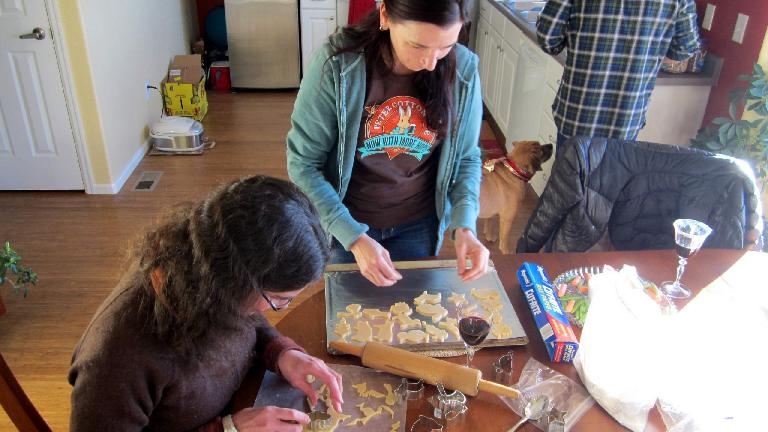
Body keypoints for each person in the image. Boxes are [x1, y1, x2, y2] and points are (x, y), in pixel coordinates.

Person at [68, 176, 343, 432]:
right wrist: (229, 428)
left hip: (239, 402)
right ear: (234, 281)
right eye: (280, 300)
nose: (274, 310)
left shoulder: (207, 268)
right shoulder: (116, 361)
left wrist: (281, 353)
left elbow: (249, 317)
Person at [287, 0, 489, 287]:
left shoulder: (464, 70)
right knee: (351, 317)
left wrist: (465, 225)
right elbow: (303, 164)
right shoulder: (337, 64)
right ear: (385, 16)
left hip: (419, 224)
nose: (432, 63)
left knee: (412, 319)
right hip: (346, 223)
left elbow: (467, 158)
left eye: (445, 47)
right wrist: (354, 237)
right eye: (418, 46)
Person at [536, 0, 701, 147]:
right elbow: (685, 48)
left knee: (567, 178)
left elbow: (548, 39)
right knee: (612, 179)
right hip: (627, 116)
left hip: (577, 112)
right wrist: (646, 56)